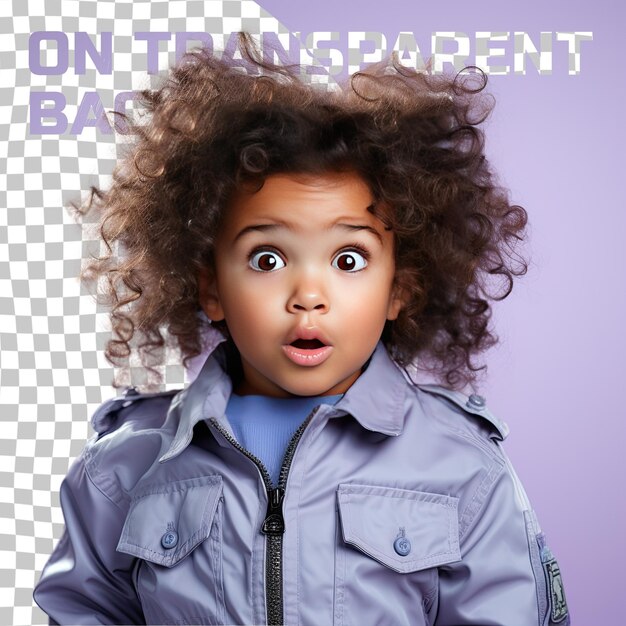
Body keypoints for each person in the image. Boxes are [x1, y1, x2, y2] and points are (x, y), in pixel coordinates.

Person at [33, 33, 569, 626]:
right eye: (268, 259)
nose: (308, 296)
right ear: (210, 286)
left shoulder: (463, 466)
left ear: (401, 288)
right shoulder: (126, 468)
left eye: (348, 260)